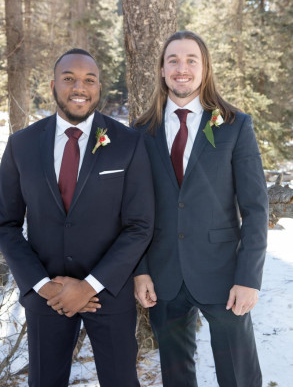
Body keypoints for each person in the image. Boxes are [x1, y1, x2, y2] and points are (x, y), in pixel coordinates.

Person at [0, 49, 155, 387]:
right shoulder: (21, 145)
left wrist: (89, 285)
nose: (78, 87)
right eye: (69, 78)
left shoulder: (128, 143)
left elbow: (140, 225)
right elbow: (5, 224)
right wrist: (41, 285)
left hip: (108, 293)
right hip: (47, 296)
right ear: (53, 84)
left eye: (89, 79)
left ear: (99, 87)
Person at [134, 31, 268, 387]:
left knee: (239, 377)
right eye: (173, 60)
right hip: (164, 277)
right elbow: (134, 212)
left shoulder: (235, 125)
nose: (182, 68)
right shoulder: (141, 133)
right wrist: (141, 270)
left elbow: (255, 207)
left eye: (191, 60)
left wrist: (248, 278)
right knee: (176, 378)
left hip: (224, 276)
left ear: (205, 68)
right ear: (162, 71)